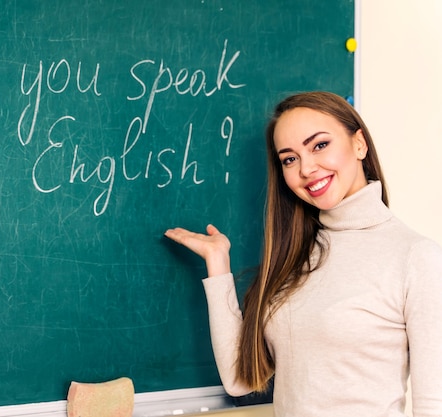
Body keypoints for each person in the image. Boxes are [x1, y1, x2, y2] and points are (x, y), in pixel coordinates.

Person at [165, 91, 442, 417]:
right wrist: (218, 263)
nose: (307, 168)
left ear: (359, 144)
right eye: (290, 159)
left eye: (320, 145)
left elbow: (432, 405)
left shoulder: (416, 257)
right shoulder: (294, 258)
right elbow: (240, 379)